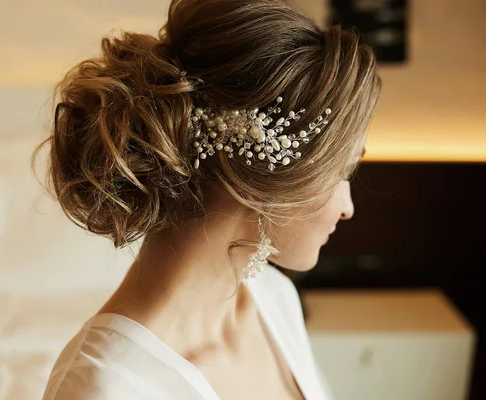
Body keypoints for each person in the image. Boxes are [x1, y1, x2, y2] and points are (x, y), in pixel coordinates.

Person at [40, 0, 380, 398]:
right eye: (341, 171)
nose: (348, 206)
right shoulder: (106, 388)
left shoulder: (274, 298)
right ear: (263, 174)